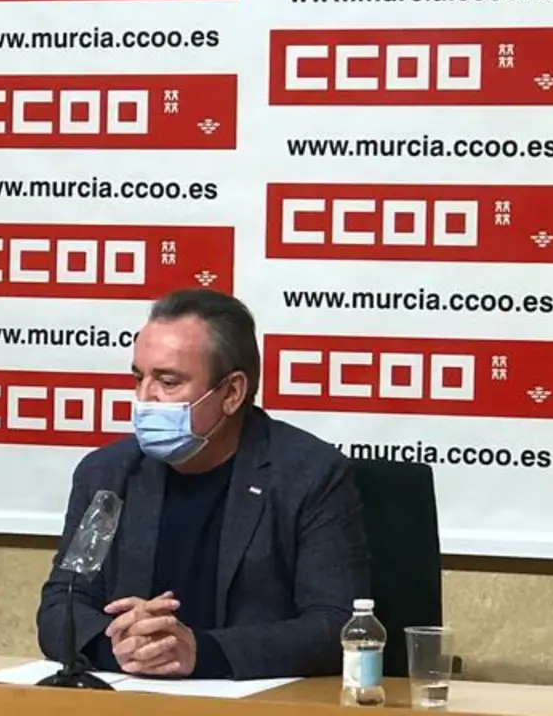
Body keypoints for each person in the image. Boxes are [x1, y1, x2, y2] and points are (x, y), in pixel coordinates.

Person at [35, 288, 370, 680]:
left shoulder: (309, 475)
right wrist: (120, 646)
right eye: (139, 378)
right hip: (131, 696)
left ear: (231, 392)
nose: (145, 398)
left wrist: (202, 652)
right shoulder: (107, 473)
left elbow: (336, 625)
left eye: (168, 381)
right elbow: (61, 605)